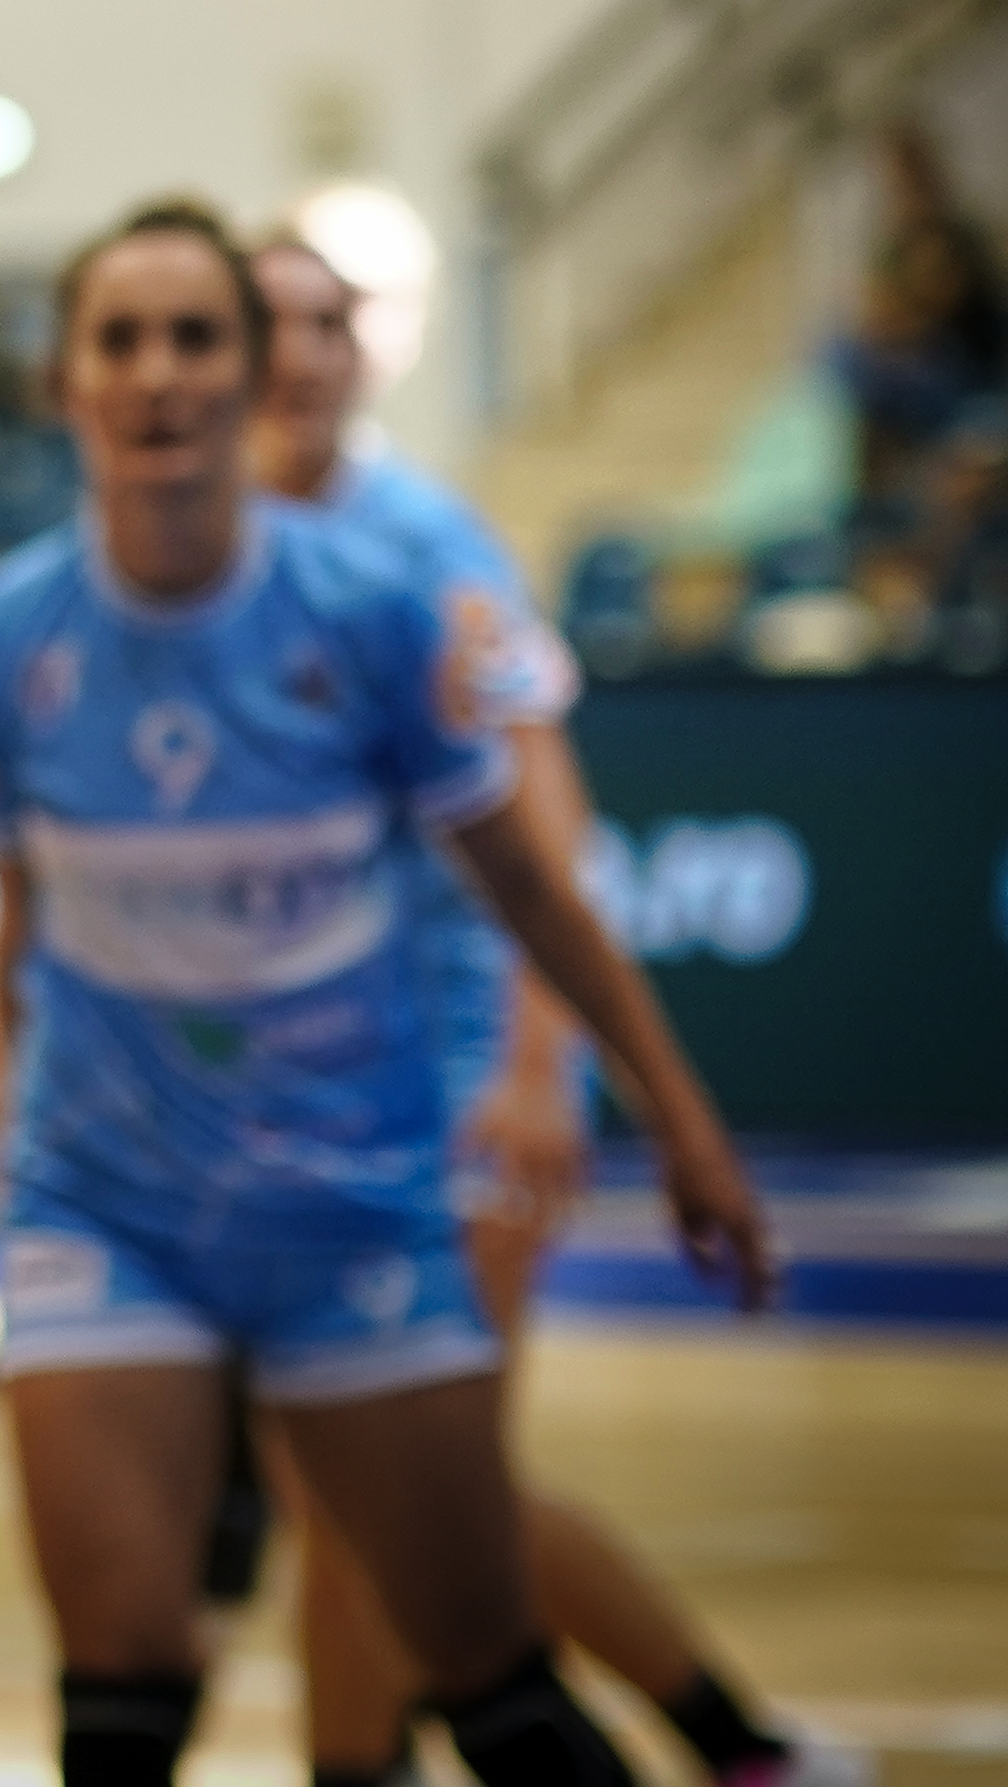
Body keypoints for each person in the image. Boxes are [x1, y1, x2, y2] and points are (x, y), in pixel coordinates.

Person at [0, 200, 773, 1787]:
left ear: (249, 375)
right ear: (66, 380)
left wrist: (676, 1115)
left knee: (478, 1655)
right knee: (116, 1678)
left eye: (200, 338)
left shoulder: (388, 599)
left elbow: (534, 872)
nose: (161, 373)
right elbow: (21, 878)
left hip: (351, 1189)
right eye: (122, 338)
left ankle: (716, 1741)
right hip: (106, 1193)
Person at [246, 234, 862, 1787]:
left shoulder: (424, 542)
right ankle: (738, 1744)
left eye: (330, 323)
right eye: (268, 324)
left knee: (383, 1471)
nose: (301, 354)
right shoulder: (202, 548)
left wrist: (535, 1060)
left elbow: (549, 821)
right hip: (305, 1080)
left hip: (454, 1065)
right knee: (378, 1478)